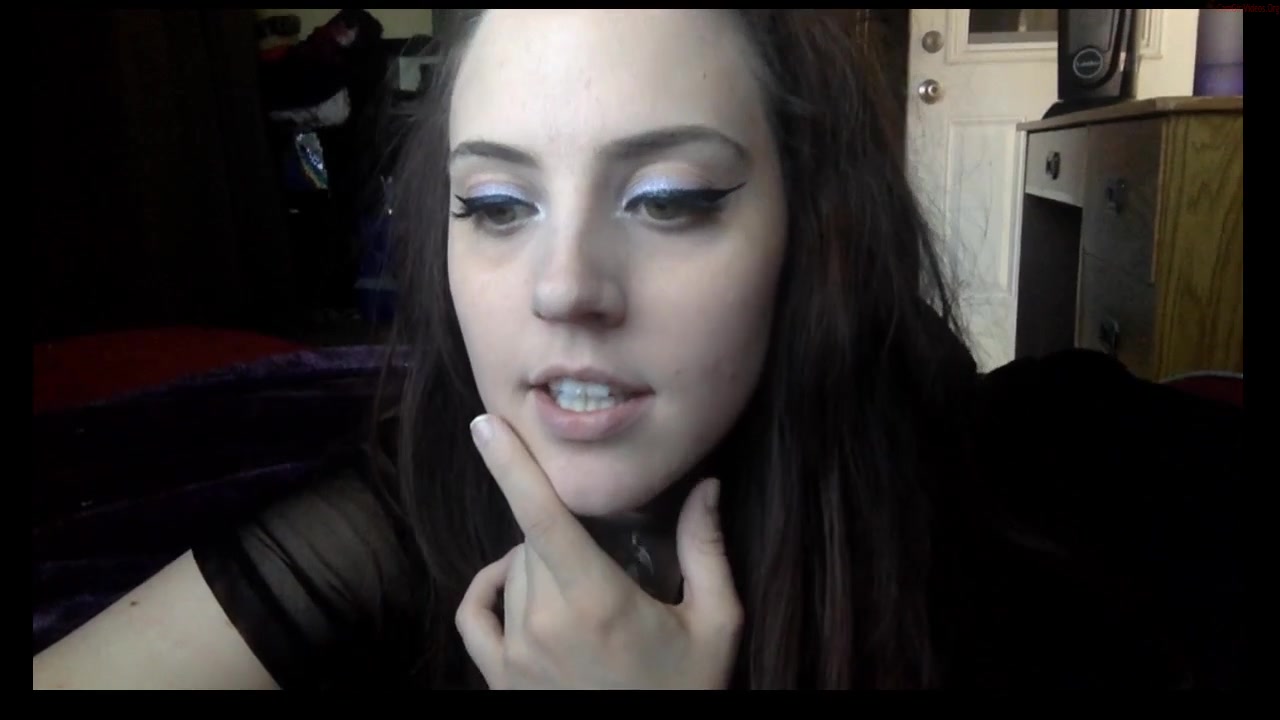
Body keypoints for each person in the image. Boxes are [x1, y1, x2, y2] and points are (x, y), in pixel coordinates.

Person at [32, 9, 1245, 690]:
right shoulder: (406, 505)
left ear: (811, 230)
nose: (564, 289)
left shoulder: (1011, 529)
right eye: (496, 206)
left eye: (665, 199)